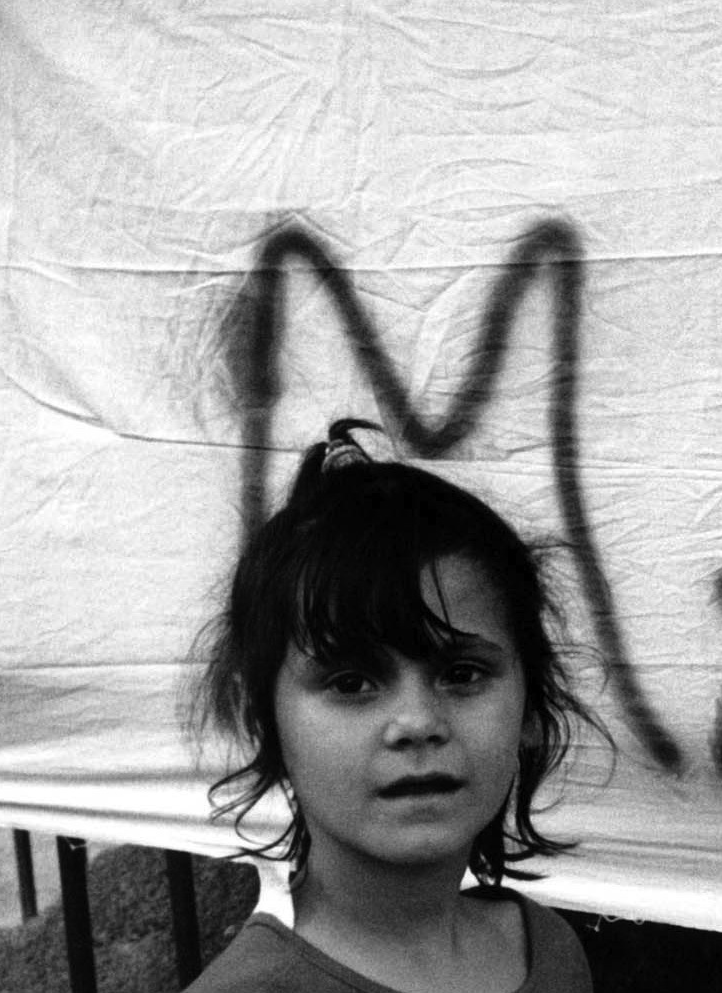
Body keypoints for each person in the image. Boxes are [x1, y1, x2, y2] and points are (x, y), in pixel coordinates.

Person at [189, 420, 599, 993]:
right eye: (352, 683)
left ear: (531, 707)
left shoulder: (548, 952)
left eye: (462, 674)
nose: (417, 723)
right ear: (265, 723)